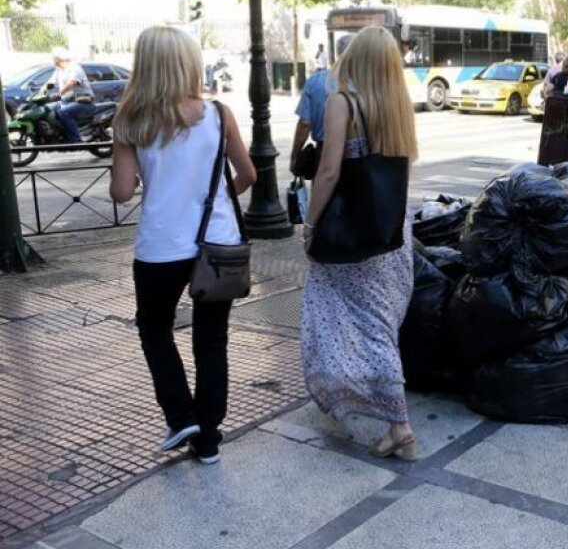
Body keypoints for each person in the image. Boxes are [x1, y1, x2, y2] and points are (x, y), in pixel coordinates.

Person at [108, 27, 257, 465]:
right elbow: (247, 175)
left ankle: (180, 414)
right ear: (189, 63)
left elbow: (120, 191)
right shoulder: (218, 113)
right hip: (218, 244)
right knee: (212, 341)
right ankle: (207, 438)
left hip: (161, 247)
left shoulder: (130, 120)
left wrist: (147, 178)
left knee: (154, 328)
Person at [300, 25, 420, 461]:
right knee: (380, 324)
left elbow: (329, 172)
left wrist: (310, 225)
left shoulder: (342, 102)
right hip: (389, 230)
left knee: (347, 319)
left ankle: (397, 422)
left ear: (355, 59)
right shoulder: (398, 106)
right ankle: (381, 413)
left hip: (350, 232)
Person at [291, 35, 354, 177]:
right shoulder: (366, 83)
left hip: (323, 156)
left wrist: (295, 156)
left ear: (337, 53)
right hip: (357, 158)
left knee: (322, 196)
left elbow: (304, 124)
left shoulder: (315, 82)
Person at [49, 48, 96, 143]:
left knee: (64, 112)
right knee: (50, 110)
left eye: (54, 58)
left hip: (82, 102)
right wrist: (42, 91)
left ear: (59, 59)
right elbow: (50, 82)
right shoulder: (59, 70)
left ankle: (75, 139)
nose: (53, 60)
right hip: (66, 101)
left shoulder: (75, 68)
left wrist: (59, 93)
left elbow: (72, 82)